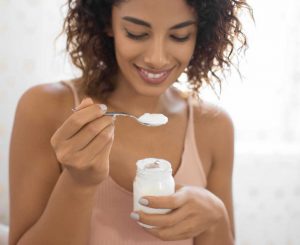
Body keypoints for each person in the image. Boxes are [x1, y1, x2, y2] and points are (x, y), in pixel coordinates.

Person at [8, 0, 252, 244]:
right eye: (136, 33)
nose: (157, 59)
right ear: (107, 22)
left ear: (201, 32)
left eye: (179, 36)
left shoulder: (214, 126)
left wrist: (216, 217)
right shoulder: (44, 109)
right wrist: (78, 183)